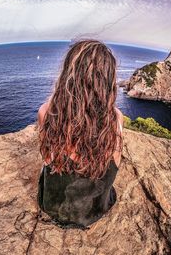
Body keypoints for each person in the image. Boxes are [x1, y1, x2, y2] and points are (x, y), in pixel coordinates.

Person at [36, 39, 124, 228]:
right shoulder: (116, 119)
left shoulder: (46, 113)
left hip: (54, 206)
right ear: (108, 83)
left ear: (68, 76)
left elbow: (46, 159)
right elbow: (114, 163)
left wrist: (61, 99)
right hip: (95, 209)